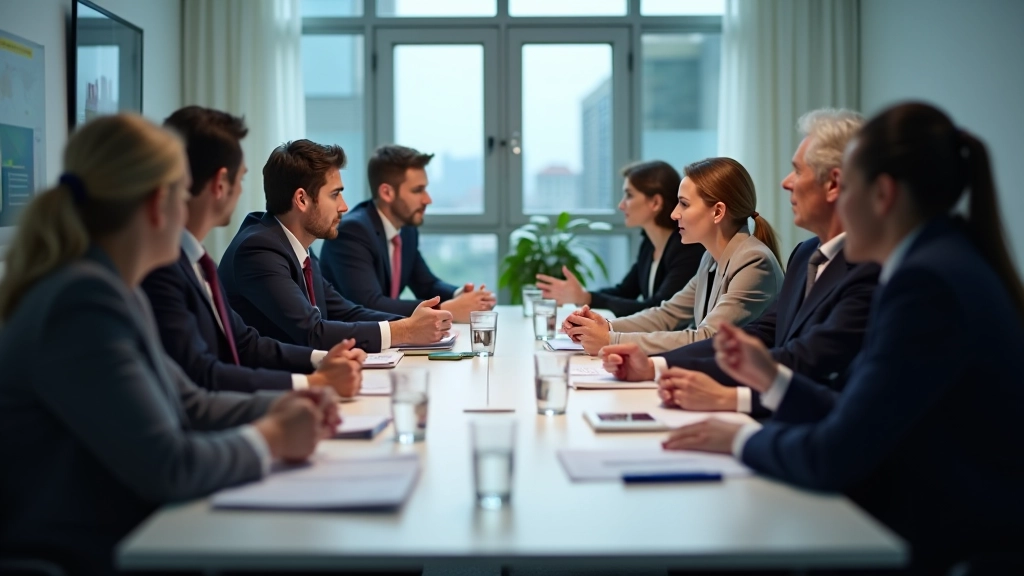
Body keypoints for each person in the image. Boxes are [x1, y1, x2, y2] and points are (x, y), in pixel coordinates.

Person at [659, 103, 1024, 572]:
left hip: (937, 538)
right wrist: (770, 380)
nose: (839, 208)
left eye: (845, 188)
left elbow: (835, 452)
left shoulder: (925, 285)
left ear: (882, 195)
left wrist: (736, 440)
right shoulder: (943, 260)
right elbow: (858, 410)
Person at [0, 114, 337, 574]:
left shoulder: (116, 289)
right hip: (93, 552)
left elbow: (190, 403)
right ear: (160, 204)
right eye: (183, 194)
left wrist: (285, 405)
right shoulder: (82, 301)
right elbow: (170, 466)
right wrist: (273, 437)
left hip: (138, 528)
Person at [602, 110, 880, 417]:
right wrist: (654, 364)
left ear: (834, 184)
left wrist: (618, 340)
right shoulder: (804, 254)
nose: (786, 183)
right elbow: (756, 336)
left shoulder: (864, 268)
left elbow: (799, 360)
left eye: (797, 171)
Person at [141, 106, 365, 396]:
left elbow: (246, 342)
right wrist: (314, 382)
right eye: (242, 178)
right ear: (221, 184)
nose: (242, 191)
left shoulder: (196, 259)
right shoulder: (167, 267)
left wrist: (322, 360)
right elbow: (202, 376)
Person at [219, 139, 452, 352]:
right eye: (335, 195)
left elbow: (346, 312)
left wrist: (415, 323)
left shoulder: (298, 247)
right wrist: (405, 331)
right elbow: (312, 333)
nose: (344, 206)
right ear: (302, 200)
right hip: (267, 388)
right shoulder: (259, 249)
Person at [564, 157, 784, 356]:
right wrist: (606, 326)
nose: (673, 213)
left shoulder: (754, 261)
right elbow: (667, 315)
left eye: (684, 204)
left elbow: (708, 338)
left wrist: (611, 340)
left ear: (717, 212)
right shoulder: (710, 258)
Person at [320, 144, 496, 322]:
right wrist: (445, 309)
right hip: (349, 344)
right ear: (387, 192)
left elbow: (426, 284)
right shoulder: (352, 232)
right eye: (418, 190)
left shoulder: (406, 230)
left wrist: (461, 295)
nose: (428, 199)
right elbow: (369, 304)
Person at [535, 160, 705, 317]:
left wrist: (587, 298)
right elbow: (625, 291)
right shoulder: (649, 243)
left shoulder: (687, 248)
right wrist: (582, 295)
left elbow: (657, 310)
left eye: (629, 195)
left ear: (655, 202)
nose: (621, 205)